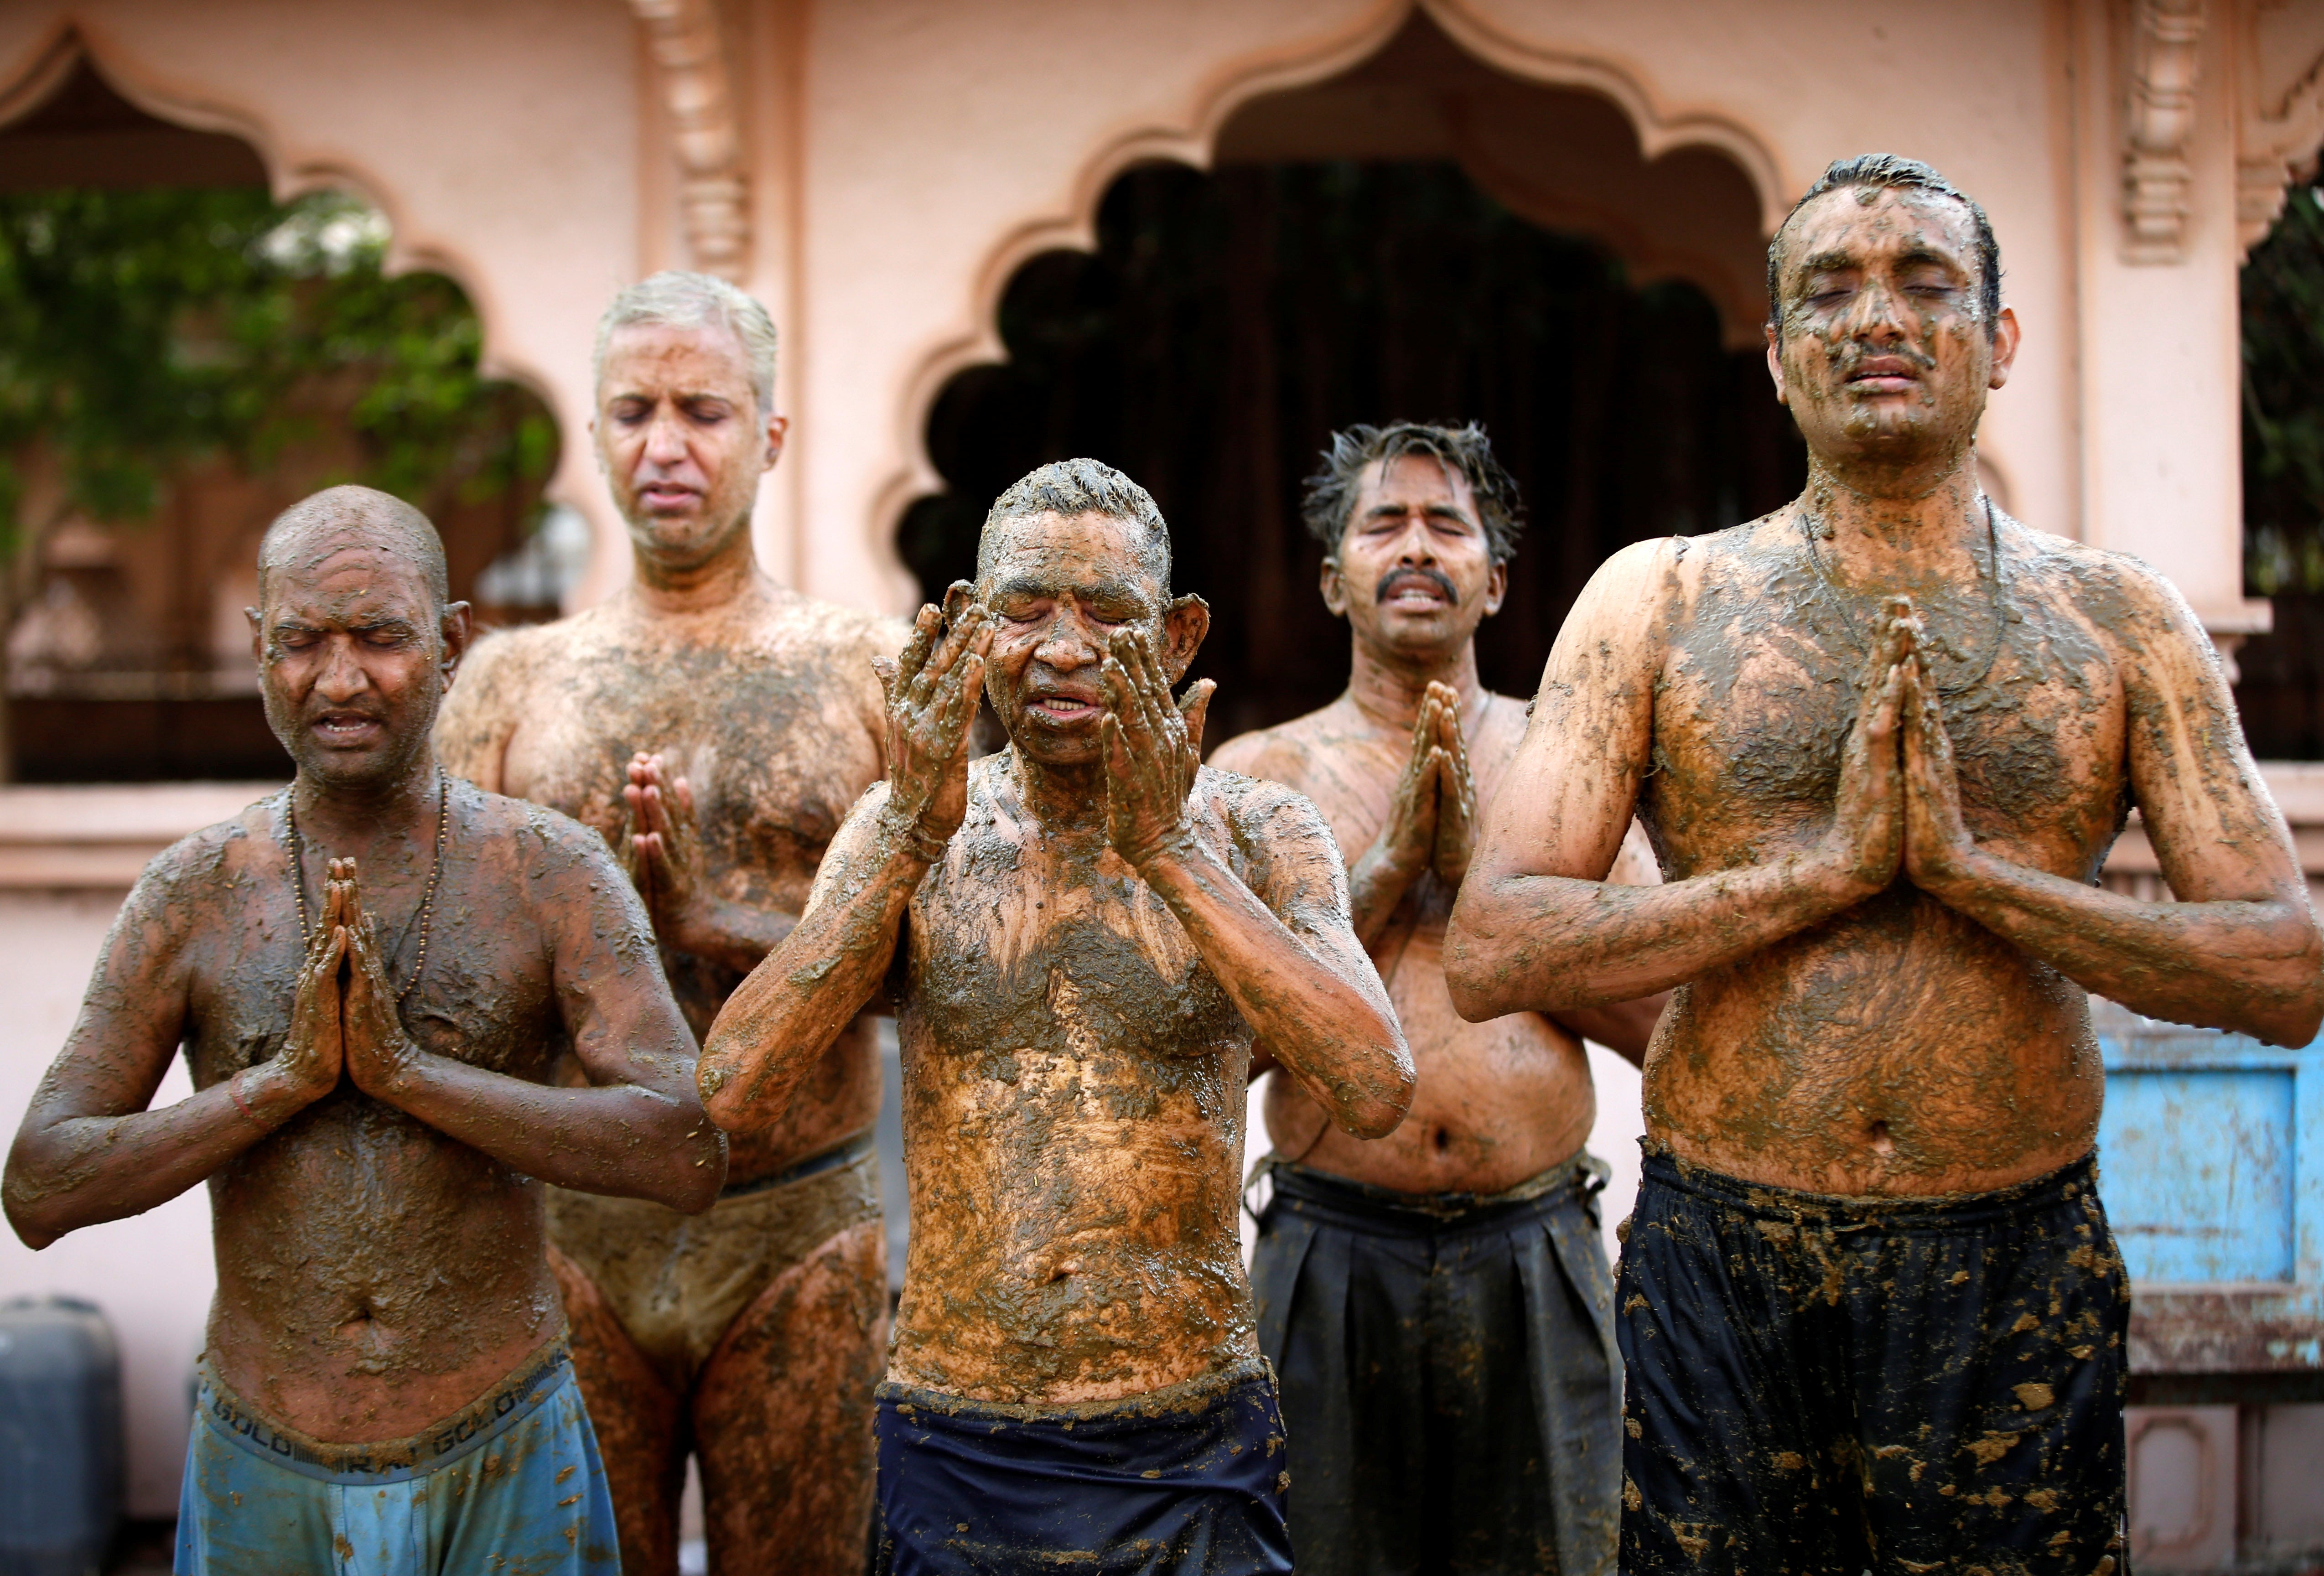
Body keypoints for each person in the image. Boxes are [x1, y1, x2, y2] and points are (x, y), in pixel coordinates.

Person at [1444, 153, 2324, 1576]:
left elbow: (2285, 972)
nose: (1880, 319)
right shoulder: (1659, 599)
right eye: (1830, 292)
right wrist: (1817, 875)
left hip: (2013, 1256)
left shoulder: (2120, 620)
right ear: (1781, 357)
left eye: (1927, 283)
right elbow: (1498, 946)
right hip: (1726, 1257)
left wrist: (1980, 878)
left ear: (2000, 341)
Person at [698, 458, 1414, 1575]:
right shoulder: (901, 830)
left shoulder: (1259, 830)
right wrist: (905, 841)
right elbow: (733, 1089)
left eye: (1109, 616)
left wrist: (1172, 852)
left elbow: (1373, 1085)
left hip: (1190, 1427)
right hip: (955, 1427)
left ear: (1177, 638)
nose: (1065, 650)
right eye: (1025, 613)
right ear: (973, 631)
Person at [3, 486, 725, 1575]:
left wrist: (409, 1076)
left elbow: (685, 1150)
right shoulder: (194, 892)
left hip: (504, 1440)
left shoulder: (550, 873)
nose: (339, 680)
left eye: (380, 638)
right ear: (258, 649)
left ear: (449, 642)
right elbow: (41, 1187)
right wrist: (282, 1083)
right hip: (262, 1456)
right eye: (302, 642)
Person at [434, 272, 904, 1575]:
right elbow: (450, 971)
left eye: (703, 410)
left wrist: (718, 918)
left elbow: (945, 964)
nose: (666, 446)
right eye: (634, 412)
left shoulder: (866, 670)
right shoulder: (510, 684)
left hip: (801, 1222)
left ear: (770, 436)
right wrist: (593, 949)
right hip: (574, 1228)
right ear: (593, 434)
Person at [1211, 421, 1663, 1576]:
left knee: (1563, 1554)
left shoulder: (1566, 769)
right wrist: (1374, 883)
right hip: (1325, 1248)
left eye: (1445, 525)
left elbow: (1668, 1026)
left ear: (1495, 579)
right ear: (1333, 579)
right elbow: (1209, 1050)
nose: (1415, 547)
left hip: (1535, 1244)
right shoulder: (1262, 778)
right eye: (1383, 524)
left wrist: (1478, 902)